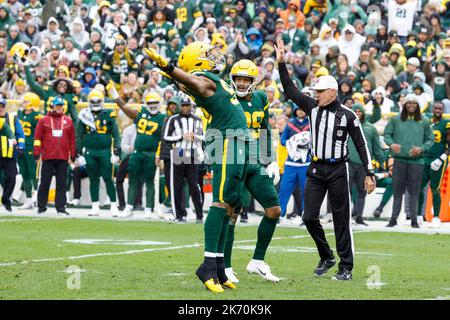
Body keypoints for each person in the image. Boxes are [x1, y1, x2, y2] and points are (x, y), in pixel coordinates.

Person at [143, 42, 249, 293]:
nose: (213, 56)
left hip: (238, 143)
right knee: (221, 202)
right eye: (206, 54)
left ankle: (220, 268)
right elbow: (196, 84)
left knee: (231, 205)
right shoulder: (203, 79)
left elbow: (189, 84)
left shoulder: (211, 78)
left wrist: (172, 72)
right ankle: (208, 266)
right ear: (196, 62)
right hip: (226, 143)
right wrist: (168, 67)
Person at [275, 37, 376, 281]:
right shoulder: (312, 107)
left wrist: (370, 172)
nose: (316, 95)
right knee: (309, 217)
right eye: (315, 92)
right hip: (317, 168)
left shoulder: (348, 115)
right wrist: (281, 64)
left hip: (339, 169)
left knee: (341, 220)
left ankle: (346, 267)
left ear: (331, 92)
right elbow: (289, 90)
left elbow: (361, 143)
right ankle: (326, 255)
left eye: (320, 92)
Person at [223, 59, 281, 284]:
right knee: (231, 215)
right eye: (237, 78)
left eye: (245, 79)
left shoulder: (260, 99)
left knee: (274, 210)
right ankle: (226, 266)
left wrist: (271, 160)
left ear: (253, 81)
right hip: (234, 162)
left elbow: (265, 129)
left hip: (256, 163)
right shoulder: (226, 99)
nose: (240, 83)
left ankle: (257, 261)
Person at [106, 88, 166, 219]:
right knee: (132, 180)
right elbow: (125, 108)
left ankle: (149, 209)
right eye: (150, 103)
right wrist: (116, 97)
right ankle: (129, 207)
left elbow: (164, 139)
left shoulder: (163, 118)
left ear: (159, 103)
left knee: (149, 181)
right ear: (146, 104)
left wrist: (160, 155)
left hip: (151, 154)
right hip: (137, 153)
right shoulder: (141, 113)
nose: (153, 105)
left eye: (155, 102)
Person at [384, 94, 435, 228]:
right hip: (399, 160)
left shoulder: (424, 121)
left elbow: (430, 139)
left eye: (414, 103)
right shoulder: (396, 119)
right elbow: (387, 134)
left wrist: (421, 148)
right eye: (408, 103)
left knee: (414, 192)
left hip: (417, 162)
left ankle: (414, 220)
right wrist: (391, 144)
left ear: (418, 105)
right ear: (405, 105)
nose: (411, 105)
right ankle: (393, 219)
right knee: (397, 191)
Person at [75, 89, 121, 217]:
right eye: (93, 101)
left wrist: (117, 151)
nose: (95, 103)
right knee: (93, 179)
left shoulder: (109, 114)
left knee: (108, 178)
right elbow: (78, 135)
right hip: (90, 152)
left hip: (105, 151)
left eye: (98, 101)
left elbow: (116, 134)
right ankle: (95, 206)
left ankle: (113, 204)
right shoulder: (84, 115)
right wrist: (78, 154)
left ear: (102, 101)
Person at [163, 96, 204, 223]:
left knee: (194, 185)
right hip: (178, 153)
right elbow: (166, 137)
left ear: (191, 106)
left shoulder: (197, 120)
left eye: (188, 105)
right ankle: (179, 215)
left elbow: (204, 137)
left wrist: (194, 136)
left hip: (193, 153)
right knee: (177, 185)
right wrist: (181, 137)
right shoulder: (173, 119)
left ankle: (199, 214)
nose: (186, 108)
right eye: (184, 105)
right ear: (180, 106)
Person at [33, 96, 76, 215]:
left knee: (62, 183)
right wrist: (37, 153)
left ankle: (61, 208)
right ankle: (41, 207)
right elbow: (37, 138)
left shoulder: (68, 120)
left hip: (62, 157)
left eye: (61, 105)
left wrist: (73, 154)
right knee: (45, 182)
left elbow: (72, 139)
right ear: (52, 106)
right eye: (57, 105)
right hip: (48, 157)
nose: (59, 108)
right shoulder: (43, 120)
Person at [347, 104, 384, 226]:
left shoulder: (371, 128)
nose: (358, 113)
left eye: (360, 111)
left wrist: (381, 160)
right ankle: (347, 216)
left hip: (364, 165)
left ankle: (359, 217)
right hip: (349, 162)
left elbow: (376, 146)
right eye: (355, 111)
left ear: (363, 112)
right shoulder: (348, 125)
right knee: (346, 190)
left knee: (362, 191)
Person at [418, 101, 450, 228]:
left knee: (435, 188)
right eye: (436, 108)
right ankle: (419, 215)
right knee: (419, 187)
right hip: (425, 158)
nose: (437, 110)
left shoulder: (446, 123)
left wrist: (442, 158)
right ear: (432, 109)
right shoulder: (426, 123)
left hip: (438, 159)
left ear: (443, 110)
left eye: (440, 108)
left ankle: (436, 217)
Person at [278, 105, 311, 222]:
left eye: (303, 109)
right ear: (295, 111)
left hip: (306, 163)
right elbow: (282, 140)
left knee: (306, 192)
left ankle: (305, 217)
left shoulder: (311, 123)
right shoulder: (290, 123)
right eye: (299, 109)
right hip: (291, 163)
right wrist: (293, 142)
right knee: (284, 190)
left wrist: (307, 144)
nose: (301, 111)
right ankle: (280, 215)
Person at [17, 92, 43, 209]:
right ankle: (28, 200)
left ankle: (36, 197)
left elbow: (41, 133)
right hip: (21, 147)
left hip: (32, 147)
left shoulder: (37, 116)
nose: (24, 103)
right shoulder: (19, 114)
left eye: (26, 101)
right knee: (25, 174)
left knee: (34, 174)